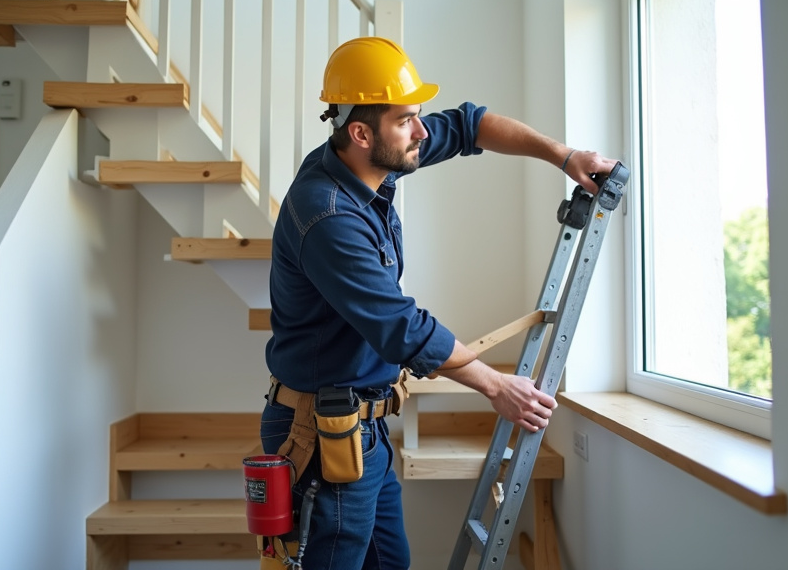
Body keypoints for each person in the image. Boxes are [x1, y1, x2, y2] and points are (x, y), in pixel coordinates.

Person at [260, 36, 617, 570]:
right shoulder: (328, 216)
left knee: (391, 563)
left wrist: (565, 157)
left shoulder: (366, 161)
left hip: (363, 427)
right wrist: (498, 387)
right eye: (407, 120)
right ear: (360, 132)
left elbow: (471, 125)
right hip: (320, 437)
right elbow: (400, 327)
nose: (421, 132)